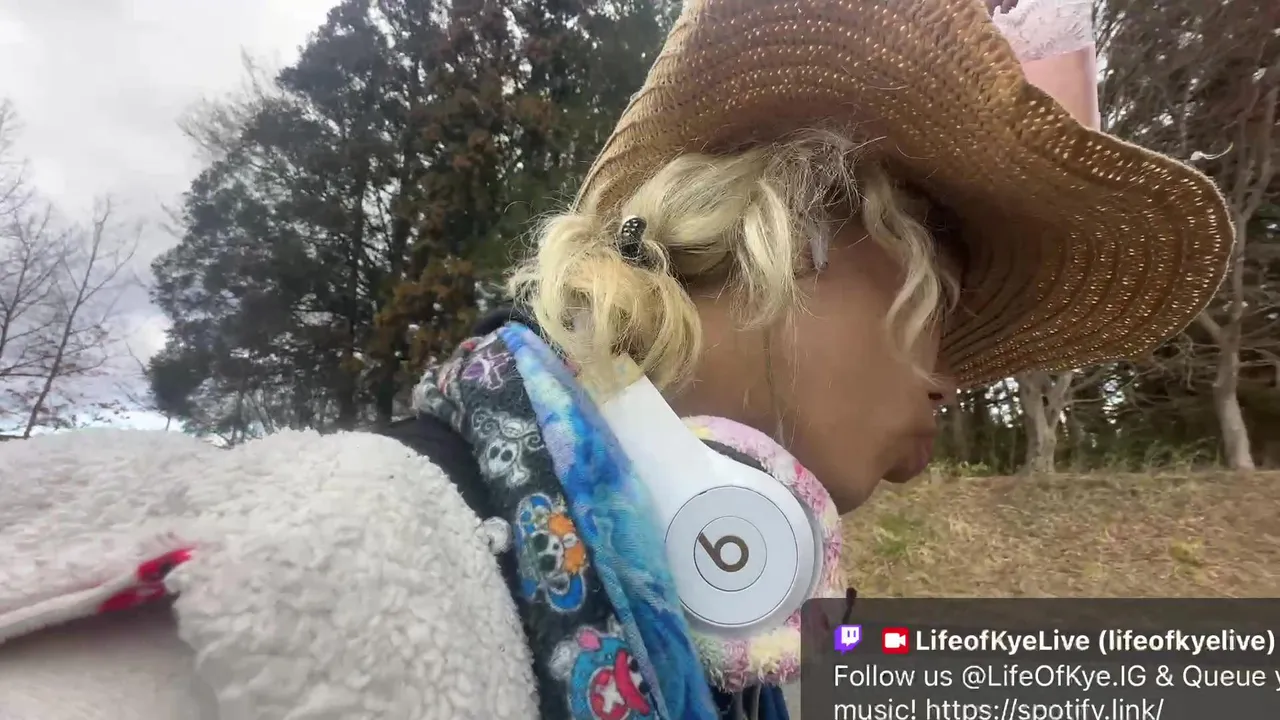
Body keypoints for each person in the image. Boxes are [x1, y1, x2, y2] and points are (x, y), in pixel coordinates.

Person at [0, 0, 1231, 718]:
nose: (955, 377)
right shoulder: (284, 578)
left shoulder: (744, 633)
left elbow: (1172, 675)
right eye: (940, 290)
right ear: (804, 218)